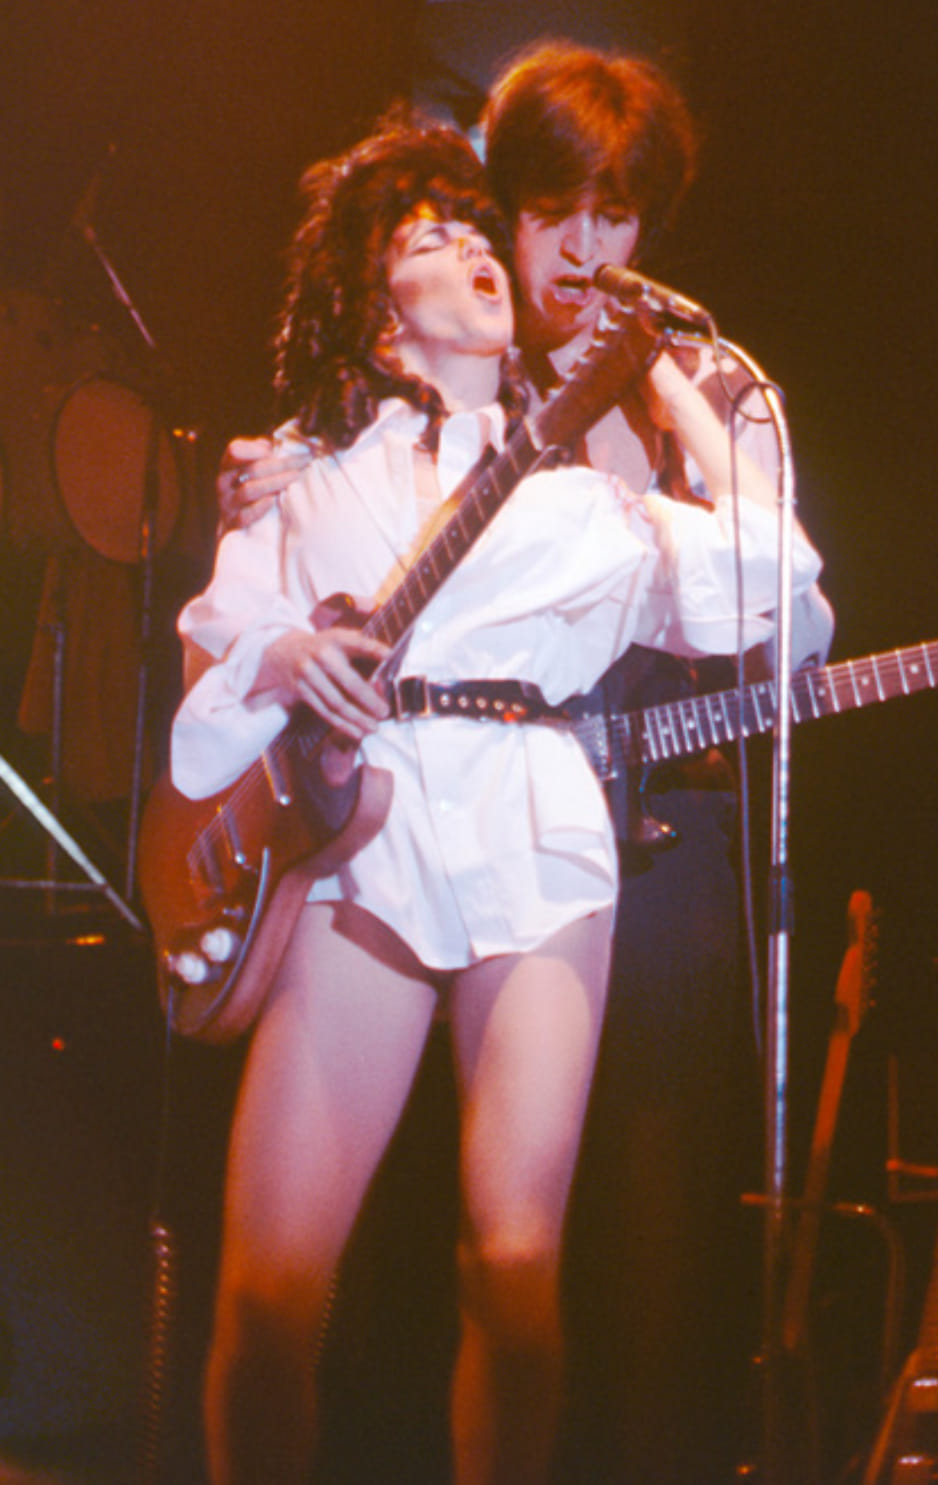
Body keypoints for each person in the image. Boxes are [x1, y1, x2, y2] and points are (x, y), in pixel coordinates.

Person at [170, 112, 825, 1485]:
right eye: (428, 234)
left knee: (514, 1257)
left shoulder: (585, 488)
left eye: (479, 229)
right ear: (372, 297)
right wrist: (281, 648)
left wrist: (681, 396)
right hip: (363, 841)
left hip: (536, 827)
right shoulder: (302, 476)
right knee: (267, 1290)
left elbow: (787, 598)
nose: (473, 245)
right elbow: (198, 716)